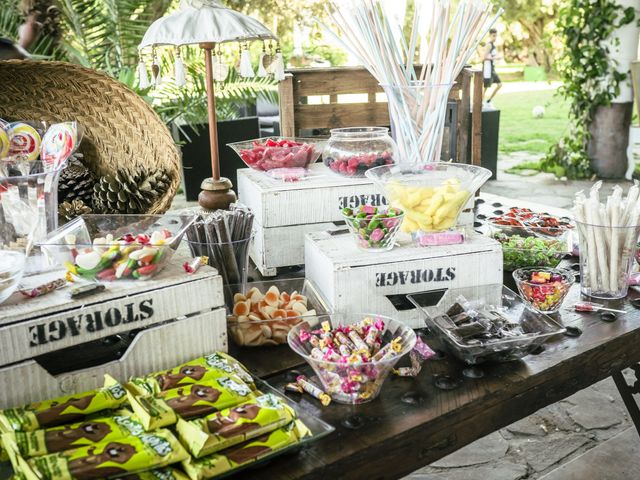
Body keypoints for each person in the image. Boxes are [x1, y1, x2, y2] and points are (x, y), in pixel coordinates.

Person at [483, 28, 502, 110]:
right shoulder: (489, 45)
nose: (495, 37)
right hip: (487, 70)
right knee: (485, 88)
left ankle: (488, 101)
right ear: (490, 35)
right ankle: (480, 103)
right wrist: (495, 58)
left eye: (496, 36)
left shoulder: (493, 45)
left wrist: (496, 57)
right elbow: (484, 57)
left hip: (492, 69)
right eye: (493, 36)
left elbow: (491, 56)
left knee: (499, 84)